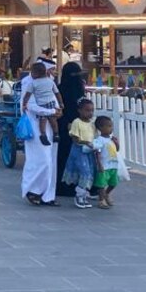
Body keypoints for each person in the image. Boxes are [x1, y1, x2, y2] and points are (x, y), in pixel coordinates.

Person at [55, 62, 87, 198]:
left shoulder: (79, 89)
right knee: (65, 156)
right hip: (65, 127)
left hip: (80, 127)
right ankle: (64, 186)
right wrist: (66, 122)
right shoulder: (60, 90)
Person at [62, 97, 99, 209]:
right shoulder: (76, 122)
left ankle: (85, 192)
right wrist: (86, 142)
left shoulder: (92, 123)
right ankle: (79, 195)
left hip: (89, 151)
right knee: (85, 171)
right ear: (80, 110)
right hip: (79, 151)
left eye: (92, 110)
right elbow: (75, 139)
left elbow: (96, 136)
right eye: (87, 110)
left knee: (91, 171)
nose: (90, 113)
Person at [21, 62, 63, 146]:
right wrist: (61, 103)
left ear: (36, 73)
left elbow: (27, 96)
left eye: (32, 72)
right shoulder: (51, 81)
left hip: (41, 105)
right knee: (53, 121)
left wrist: (24, 104)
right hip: (51, 104)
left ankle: (43, 135)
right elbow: (57, 93)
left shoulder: (32, 83)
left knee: (42, 122)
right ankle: (56, 134)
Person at [91, 116, 121, 209]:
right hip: (104, 165)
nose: (111, 128)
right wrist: (99, 164)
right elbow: (97, 152)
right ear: (100, 128)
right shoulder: (99, 140)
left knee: (114, 183)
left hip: (113, 165)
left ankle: (106, 194)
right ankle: (101, 200)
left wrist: (116, 143)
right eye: (108, 126)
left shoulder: (111, 139)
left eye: (111, 126)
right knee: (101, 184)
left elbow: (117, 150)